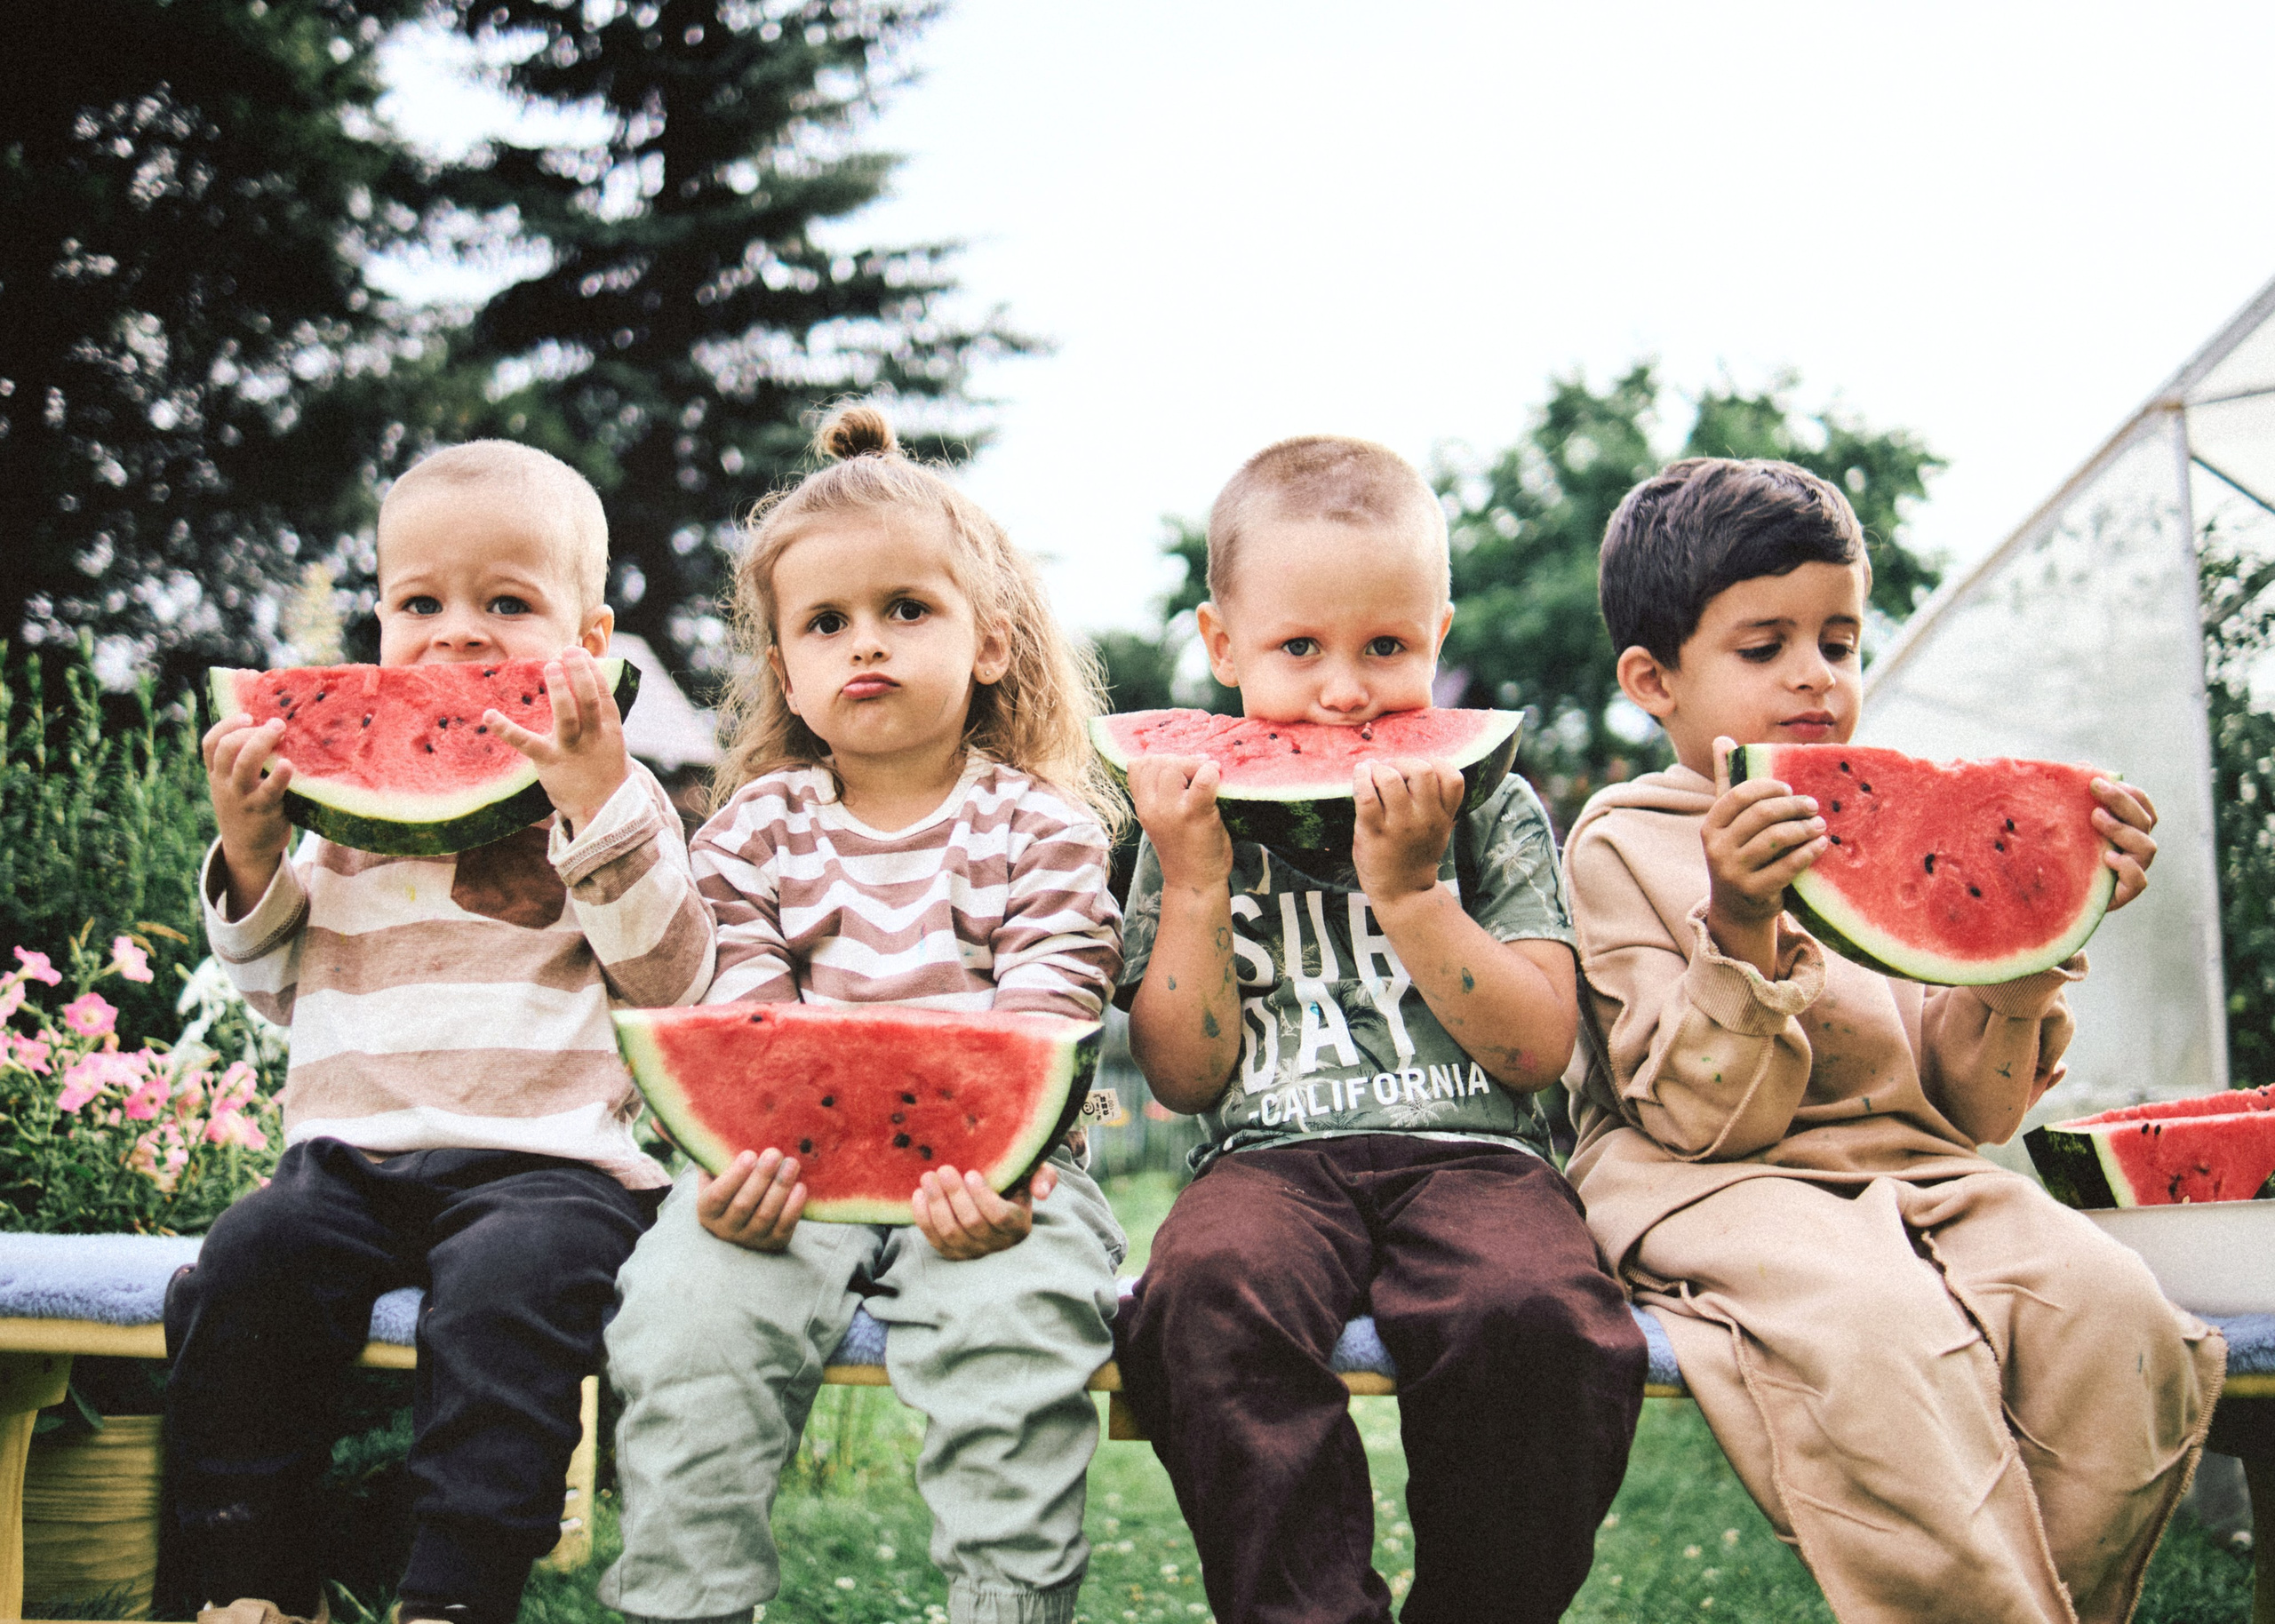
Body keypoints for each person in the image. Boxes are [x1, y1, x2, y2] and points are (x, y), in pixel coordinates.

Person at [1563, 456, 2224, 1624]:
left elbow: (1972, 1111)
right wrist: (1740, 923)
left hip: (1919, 1170)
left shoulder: (1883, 810)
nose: (1815, 677)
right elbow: (1704, 1117)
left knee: (2117, 1316)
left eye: (1840, 641)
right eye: (1764, 648)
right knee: (1884, 1343)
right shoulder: (1621, 841)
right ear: (1652, 680)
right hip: (1712, 1186)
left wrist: (2031, 946)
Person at [170, 442, 716, 1624]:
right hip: (347, 1163)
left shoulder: (618, 804)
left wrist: (595, 807)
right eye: (419, 603)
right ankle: (249, 1577)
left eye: (506, 604)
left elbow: (669, 977)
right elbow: (272, 989)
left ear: (589, 639)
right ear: (376, 624)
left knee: (510, 1296)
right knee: (248, 1261)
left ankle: (456, 1593)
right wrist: (255, 858)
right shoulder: (339, 815)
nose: (458, 635)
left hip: (554, 1170)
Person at [600, 405, 1127, 1624]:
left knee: (1016, 1348)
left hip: (1009, 1190)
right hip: (776, 1179)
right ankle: (686, 1602)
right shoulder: (749, 835)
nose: (865, 645)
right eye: (825, 624)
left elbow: (1048, 1008)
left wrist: (1008, 1163)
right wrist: (731, 1163)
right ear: (786, 670)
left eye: (908, 610)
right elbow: (748, 1030)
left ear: (990, 644)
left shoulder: (1040, 829)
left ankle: (1006, 1607)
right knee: (680, 1323)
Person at [1112, 435, 1647, 1624]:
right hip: (1263, 1158)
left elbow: (1537, 1049)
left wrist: (1414, 894)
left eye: (1387, 648)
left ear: (1439, 636)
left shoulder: (1492, 805)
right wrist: (1195, 884)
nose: (1346, 694)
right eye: (1299, 648)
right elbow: (1185, 1075)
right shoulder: (1184, 820)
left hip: (1477, 1156)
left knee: (1537, 1317)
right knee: (1202, 1293)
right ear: (1219, 644)